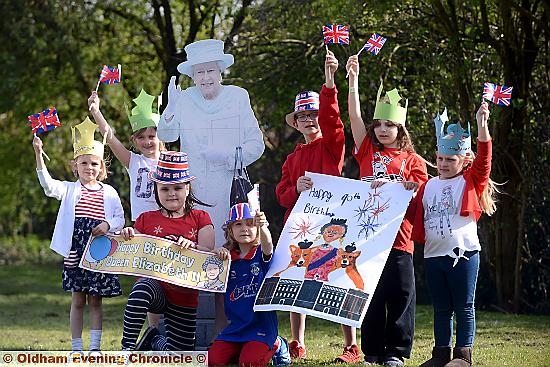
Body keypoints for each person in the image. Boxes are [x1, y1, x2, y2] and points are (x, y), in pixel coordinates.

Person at [158, 38, 265, 337]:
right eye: (199, 72)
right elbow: (166, 134)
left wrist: (229, 156)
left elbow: (257, 145)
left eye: (210, 71)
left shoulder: (238, 97)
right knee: (196, 256)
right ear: (192, 74)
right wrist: (171, 107)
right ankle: (182, 331)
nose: (205, 78)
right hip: (194, 196)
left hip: (231, 192)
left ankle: (228, 328)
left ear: (221, 71)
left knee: (228, 258)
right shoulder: (187, 98)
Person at [276, 51, 358, 363]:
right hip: (299, 228)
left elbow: (334, 120)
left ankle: (351, 345)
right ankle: (297, 342)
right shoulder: (292, 158)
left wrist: (330, 80)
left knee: (339, 280)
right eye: (303, 117)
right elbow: (281, 195)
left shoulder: (332, 145)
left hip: (331, 226)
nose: (310, 120)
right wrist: (293, 188)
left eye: (314, 115)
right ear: (296, 123)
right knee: (297, 284)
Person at [346, 55, 428, 367]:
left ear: (400, 128)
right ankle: (373, 352)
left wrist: (410, 188)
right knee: (370, 295)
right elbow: (353, 117)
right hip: (368, 239)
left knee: (401, 295)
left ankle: (396, 352)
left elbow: (422, 193)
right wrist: (353, 81)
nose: (382, 129)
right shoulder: (367, 151)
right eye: (378, 124)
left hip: (400, 239)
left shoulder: (413, 160)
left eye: (388, 125)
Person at [412, 102, 497, 367]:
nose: (444, 164)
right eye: (440, 158)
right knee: (441, 309)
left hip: (464, 255)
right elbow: (412, 210)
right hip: (433, 255)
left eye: (450, 159)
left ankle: (463, 356)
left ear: (463, 160)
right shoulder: (428, 185)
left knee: (463, 307)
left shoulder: (469, 180)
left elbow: (484, 161)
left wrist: (482, 125)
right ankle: (440, 355)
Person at [33, 117, 125, 351]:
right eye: (84, 163)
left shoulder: (110, 192)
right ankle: (76, 347)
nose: (89, 168)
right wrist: (38, 153)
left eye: (94, 164)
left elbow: (119, 219)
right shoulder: (70, 189)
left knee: (96, 300)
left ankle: (94, 347)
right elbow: (48, 186)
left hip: (98, 249)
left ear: (101, 168)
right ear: (75, 166)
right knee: (78, 299)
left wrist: (106, 225)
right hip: (76, 250)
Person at [119, 151, 215, 351]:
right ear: (157, 190)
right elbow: (132, 248)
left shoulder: (201, 217)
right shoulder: (145, 219)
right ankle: (127, 348)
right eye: (165, 189)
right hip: (156, 289)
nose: (171, 193)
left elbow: (209, 253)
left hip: (185, 295)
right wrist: (128, 233)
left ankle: (153, 339)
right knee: (142, 288)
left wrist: (194, 247)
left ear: (187, 189)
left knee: (179, 355)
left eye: (178, 188)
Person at [89, 89, 165, 336]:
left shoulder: (170, 160)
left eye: (152, 135)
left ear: (159, 136)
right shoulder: (134, 162)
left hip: (167, 227)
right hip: (141, 229)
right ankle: (153, 331)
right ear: (134, 141)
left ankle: (170, 329)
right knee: (146, 279)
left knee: (168, 279)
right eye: (141, 137)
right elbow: (109, 138)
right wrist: (96, 111)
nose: (147, 141)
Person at [208, 203, 290, 367]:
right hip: (235, 328)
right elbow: (207, 271)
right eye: (238, 224)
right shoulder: (226, 259)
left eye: (250, 223)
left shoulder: (261, 254)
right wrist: (215, 253)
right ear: (230, 230)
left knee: (249, 363)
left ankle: (277, 344)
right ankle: (242, 348)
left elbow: (268, 245)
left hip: (261, 327)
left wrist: (264, 227)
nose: (244, 228)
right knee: (212, 361)